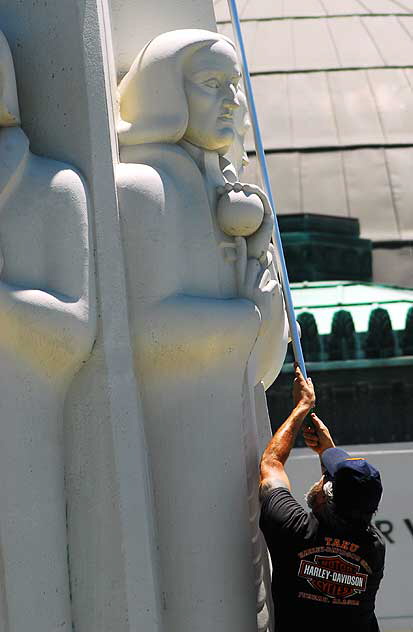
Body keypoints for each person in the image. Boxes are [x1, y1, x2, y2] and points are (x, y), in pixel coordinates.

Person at [115, 29, 288, 631]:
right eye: (212, 85)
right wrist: (241, 319)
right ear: (165, 93)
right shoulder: (141, 190)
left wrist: (259, 251)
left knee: (249, 587)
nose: (232, 102)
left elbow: (265, 360)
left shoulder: (224, 191)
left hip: (237, 416)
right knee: (202, 589)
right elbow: (148, 328)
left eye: (234, 87)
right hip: (179, 433)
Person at [259, 365, 385, 631]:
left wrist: (302, 406)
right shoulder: (373, 549)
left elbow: (271, 464)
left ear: (325, 497)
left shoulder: (294, 529)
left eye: (326, 477)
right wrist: (328, 452)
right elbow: (343, 506)